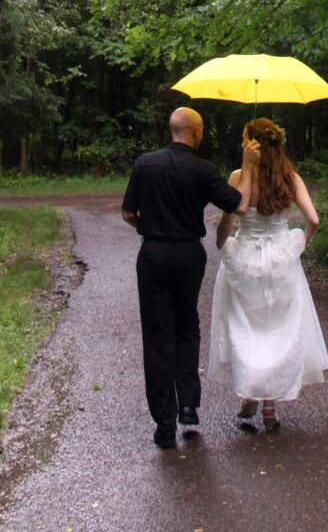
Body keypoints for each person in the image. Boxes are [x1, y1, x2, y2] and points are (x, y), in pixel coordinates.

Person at [122, 106, 259, 449]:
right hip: (188, 254)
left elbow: (127, 213)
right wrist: (249, 164)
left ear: (173, 130)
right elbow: (239, 205)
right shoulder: (203, 170)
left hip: (152, 253)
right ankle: (188, 407)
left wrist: (150, 228)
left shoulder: (144, 164)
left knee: (157, 335)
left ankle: (165, 425)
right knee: (187, 326)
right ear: (196, 131)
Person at [207, 117, 328, 431]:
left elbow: (238, 211)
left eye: (245, 138)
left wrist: (222, 245)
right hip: (280, 259)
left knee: (245, 329)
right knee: (276, 330)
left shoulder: (238, 175)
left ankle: (250, 395)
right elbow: (312, 219)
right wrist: (296, 245)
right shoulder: (291, 177)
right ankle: (269, 407)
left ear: (252, 143)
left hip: (245, 257)